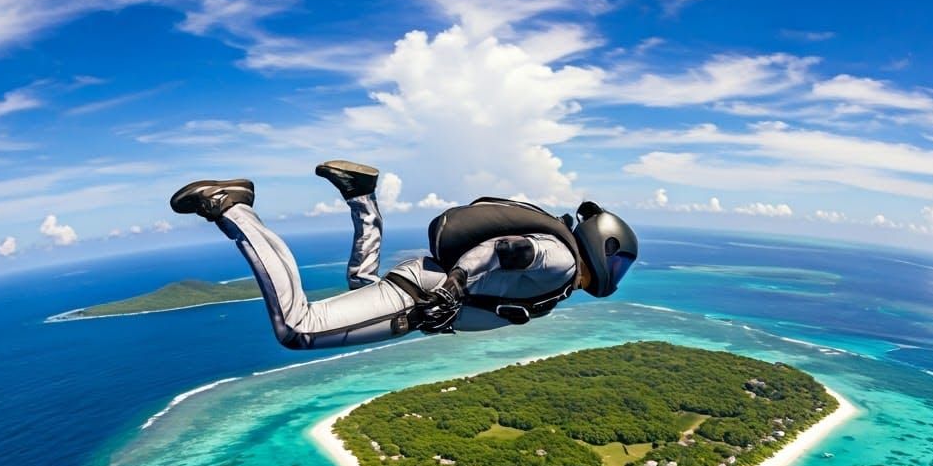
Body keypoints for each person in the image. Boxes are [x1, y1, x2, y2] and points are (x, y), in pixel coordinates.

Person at [169, 161, 638, 350]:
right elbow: (507, 249)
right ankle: (232, 207)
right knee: (298, 328)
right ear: (604, 246)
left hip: (422, 289)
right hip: (425, 298)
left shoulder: (562, 269)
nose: (615, 271)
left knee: (362, 283)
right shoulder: (563, 261)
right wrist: (455, 289)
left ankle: (362, 197)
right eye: (619, 261)